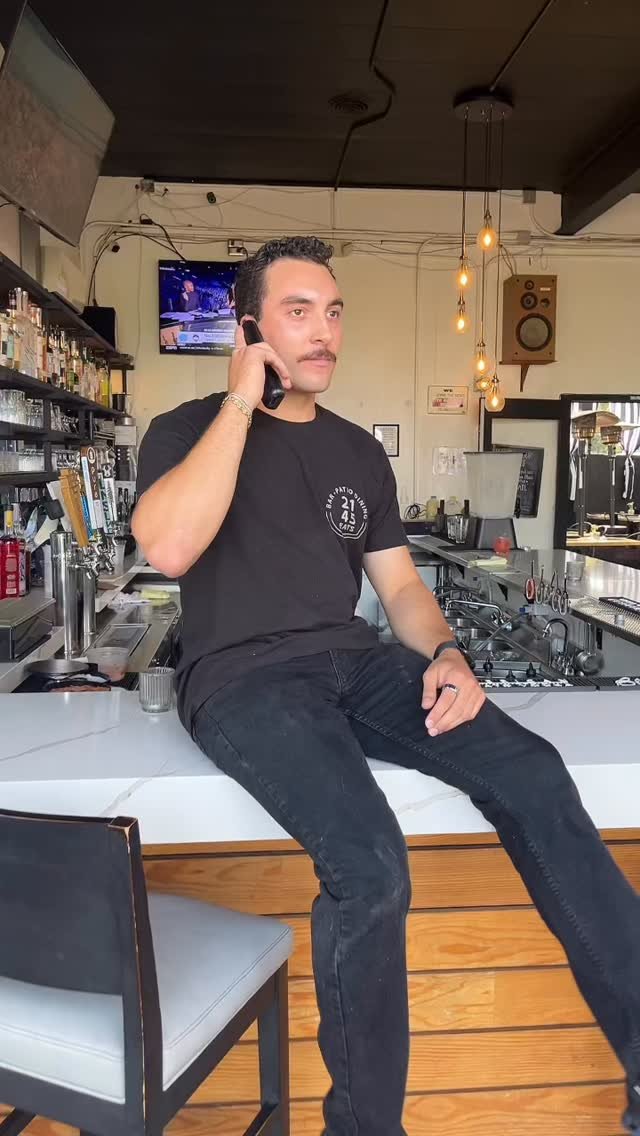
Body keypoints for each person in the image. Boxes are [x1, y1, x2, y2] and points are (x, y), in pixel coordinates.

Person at [133, 236, 640, 1136]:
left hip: (356, 662)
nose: (323, 332)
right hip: (243, 678)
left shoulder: (357, 452)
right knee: (371, 866)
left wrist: (447, 654)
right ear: (248, 328)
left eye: (332, 313)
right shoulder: (187, 431)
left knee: (534, 772)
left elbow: (401, 588)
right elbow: (169, 548)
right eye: (298, 313)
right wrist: (243, 401)